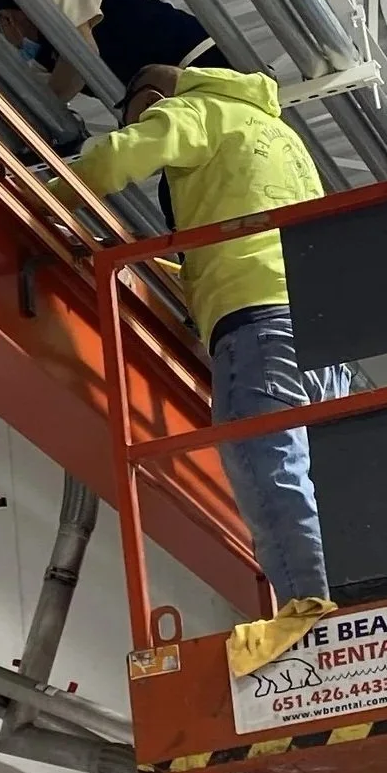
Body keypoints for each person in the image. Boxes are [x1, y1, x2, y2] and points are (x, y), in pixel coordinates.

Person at [69, 64, 344, 628]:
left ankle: (309, 616)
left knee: (267, 467)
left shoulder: (198, 109)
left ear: (150, 98)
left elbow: (114, 159)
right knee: (321, 480)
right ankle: (356, 601)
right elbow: (243, 243)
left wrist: (46, 189)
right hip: (324, 326)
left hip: (259, 322)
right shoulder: (279, 136)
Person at [0, 0, 220, 105]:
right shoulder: (42, 59)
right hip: (173, 94)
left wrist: (47, 103)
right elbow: (54, 92)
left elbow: (82, 57)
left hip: (199, 61)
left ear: (6, 20)